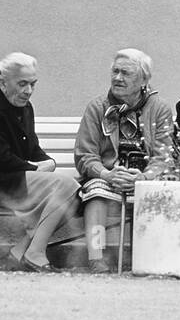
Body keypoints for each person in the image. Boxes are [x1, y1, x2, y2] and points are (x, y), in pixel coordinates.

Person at [0, 52, 82, 271]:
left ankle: (19, 252)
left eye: (32, 84)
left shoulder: (24, 108)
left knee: (75, 195)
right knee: (66, 186)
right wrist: (36, 167)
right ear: (2, 82)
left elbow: (32, 149)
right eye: (22, 84)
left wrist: (48, 162)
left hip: (16, 178)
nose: (28, 91)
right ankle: (36, 252)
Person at [74, 49, 173, 274]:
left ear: (144, 79)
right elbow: (85, 154)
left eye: (126, 73)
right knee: (96, 193)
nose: (118, 78)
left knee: (160, 191)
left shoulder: (159, 109)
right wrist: (105, 173)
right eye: (115, 71)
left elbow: (163, 155)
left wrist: (145, 176)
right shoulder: (97, 107)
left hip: (145, 176)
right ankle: (96, 258)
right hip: (108, 175)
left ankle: (149, 260)